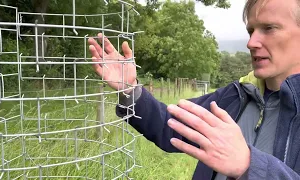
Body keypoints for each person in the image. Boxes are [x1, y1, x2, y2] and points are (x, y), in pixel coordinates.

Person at [88, 0, 300, 179]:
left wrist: (250, 164)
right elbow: (170, 126)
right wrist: (129, 89)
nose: (251, 42)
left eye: (269, 28)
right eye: (251, 30)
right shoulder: (237, 95)